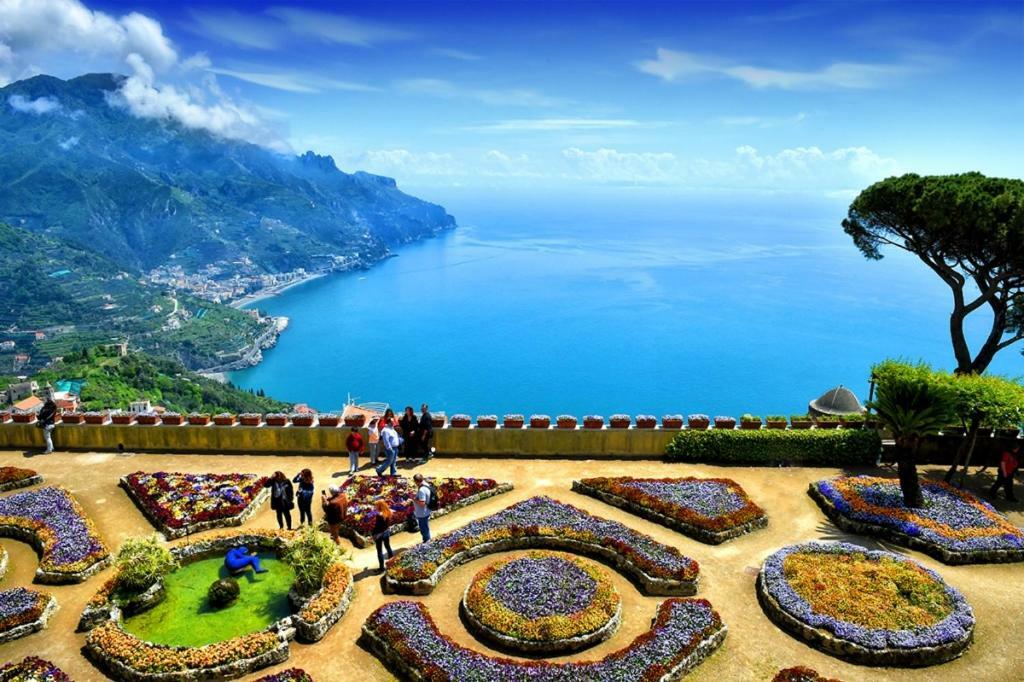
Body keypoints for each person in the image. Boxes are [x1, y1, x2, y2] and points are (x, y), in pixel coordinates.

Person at [371, 499, 394, 572]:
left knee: (379, 551)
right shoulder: (388, 512)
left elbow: (377, 527)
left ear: (380, 506)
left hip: (379, 534)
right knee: (388, 547)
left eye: (376, 505)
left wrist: (373, 534)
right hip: (386, 532)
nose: (375, 507)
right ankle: (392, 563)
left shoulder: (379, 515)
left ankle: (381, 568)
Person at [412, 473, 432, 542]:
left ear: (416, 481)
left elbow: (422, 503)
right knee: (425, 527)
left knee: (424, 529)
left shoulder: (421, 490)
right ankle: (427, 541)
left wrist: (414, 499)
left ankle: (427, 542)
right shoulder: (426, 484)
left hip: (422, 513)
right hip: (427, 511)